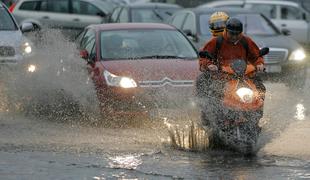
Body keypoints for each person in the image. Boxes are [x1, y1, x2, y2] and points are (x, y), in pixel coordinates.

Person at [196, 17, 266, 126]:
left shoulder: (246, 41)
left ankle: (256, 116)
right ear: (226, 31)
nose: (234, 37)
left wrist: (259, 64)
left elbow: (256, 56)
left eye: (237, 34)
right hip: (221, 77)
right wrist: (210, 65)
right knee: (214, 93)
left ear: (241, 33)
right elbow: (204, 57)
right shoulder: (216, 41)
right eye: (231, 34)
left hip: (244, 76)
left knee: (260, 88)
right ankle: (212, 118)